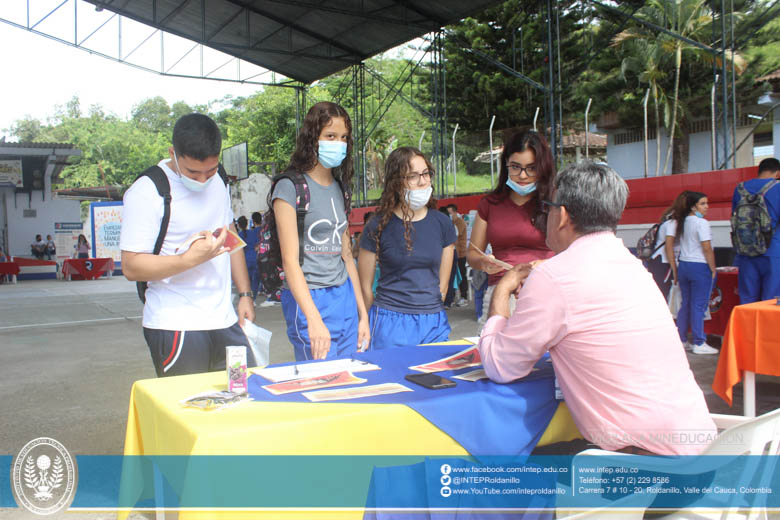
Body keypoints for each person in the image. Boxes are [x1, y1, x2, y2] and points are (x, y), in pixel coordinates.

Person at [478, 161, 716, 456]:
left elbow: (500, 366)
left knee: (501, 469)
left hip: (644, 471)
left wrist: (503, 289)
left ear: (562, 215)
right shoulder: (633, 266)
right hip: (700, 454)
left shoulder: (554, 277)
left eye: (547, 209)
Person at [120, 113, 255, 377]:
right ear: (173, 153)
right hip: (176, 326)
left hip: (225, 321)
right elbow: (131, 266)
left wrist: (245, 295)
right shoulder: (148, 191)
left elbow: (230, 238)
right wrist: (189, 260)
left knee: (241, 396)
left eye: (211, 170)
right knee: (190, 407)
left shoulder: (219, 181)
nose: (203, 180)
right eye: (193, 172)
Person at [271, 101, 369, 361]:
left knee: (349, 379)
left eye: (344, 137)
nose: (338, 143)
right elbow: (289, 261)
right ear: (312, 138)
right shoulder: (289, 187)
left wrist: (363, 314)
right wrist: (312, 319)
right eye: (330, 136)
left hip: (344, 294)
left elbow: (347, 256)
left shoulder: (341, 188)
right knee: (322, 384)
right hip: (309, 297)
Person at [358, 147, 455, 349]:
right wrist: (365, 323)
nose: (422, 181)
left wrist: (429, 310)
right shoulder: (377, 225)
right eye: (412, 176)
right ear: (396, 182)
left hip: (433, 322)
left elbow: (443, 286)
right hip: (389, 322)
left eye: (426, 173)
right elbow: (365, 287)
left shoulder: (442, 223)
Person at [466, 131, 555, 329]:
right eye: (515, 167)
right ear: (505, 165)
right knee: (494, 353)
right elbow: (472, 253)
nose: (522, 176)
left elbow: (572, 253)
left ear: (543, 168)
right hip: (501, 292)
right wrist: (483, 261)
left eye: (531, 168)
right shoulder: (490, 204)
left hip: (547, 290)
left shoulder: (554, 203)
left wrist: (541, 265)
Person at [665, 191, 719, 355]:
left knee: (686, 304)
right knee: (699, 305)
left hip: (685, 266)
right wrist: (713, 267)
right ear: (693, 206)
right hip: (699, 266)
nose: (706, 207)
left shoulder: (683, 221)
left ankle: (682, 339)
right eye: (703, 203)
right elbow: (706, 247)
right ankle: (699, 342)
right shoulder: (702, 223)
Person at [732, 157, 780, 303]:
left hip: (746, 251)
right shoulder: (777, 187)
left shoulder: (740, 188)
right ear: (777, 173)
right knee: (771, 301)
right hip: (773, 251)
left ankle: (749, 327)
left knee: (747, 299)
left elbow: (735, 218)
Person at [645, 191, 690, 299]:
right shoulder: (673, 223)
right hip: (663, 263)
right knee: (662, 295)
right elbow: (668, 247)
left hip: (662, 262)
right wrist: (675, 270)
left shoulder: (670, 219)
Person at [447, 204, 469, 306]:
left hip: (461, 253)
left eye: (450, 213)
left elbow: (455, 235)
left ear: (455, 212)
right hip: (453, 253)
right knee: (453, 276)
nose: (449, 215)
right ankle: (452, 296)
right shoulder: (451, 222)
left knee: (462, 275)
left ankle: (464, 296)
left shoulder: (460, 222)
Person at [237, 215, 260, 305]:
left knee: (247, 281)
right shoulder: (253, 232)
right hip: (255, 257)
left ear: (238, 225)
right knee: (255, 280)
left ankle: (248, 299)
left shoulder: (239, 235)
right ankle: (253, 299)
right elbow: (257, 244)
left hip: (245, 259)